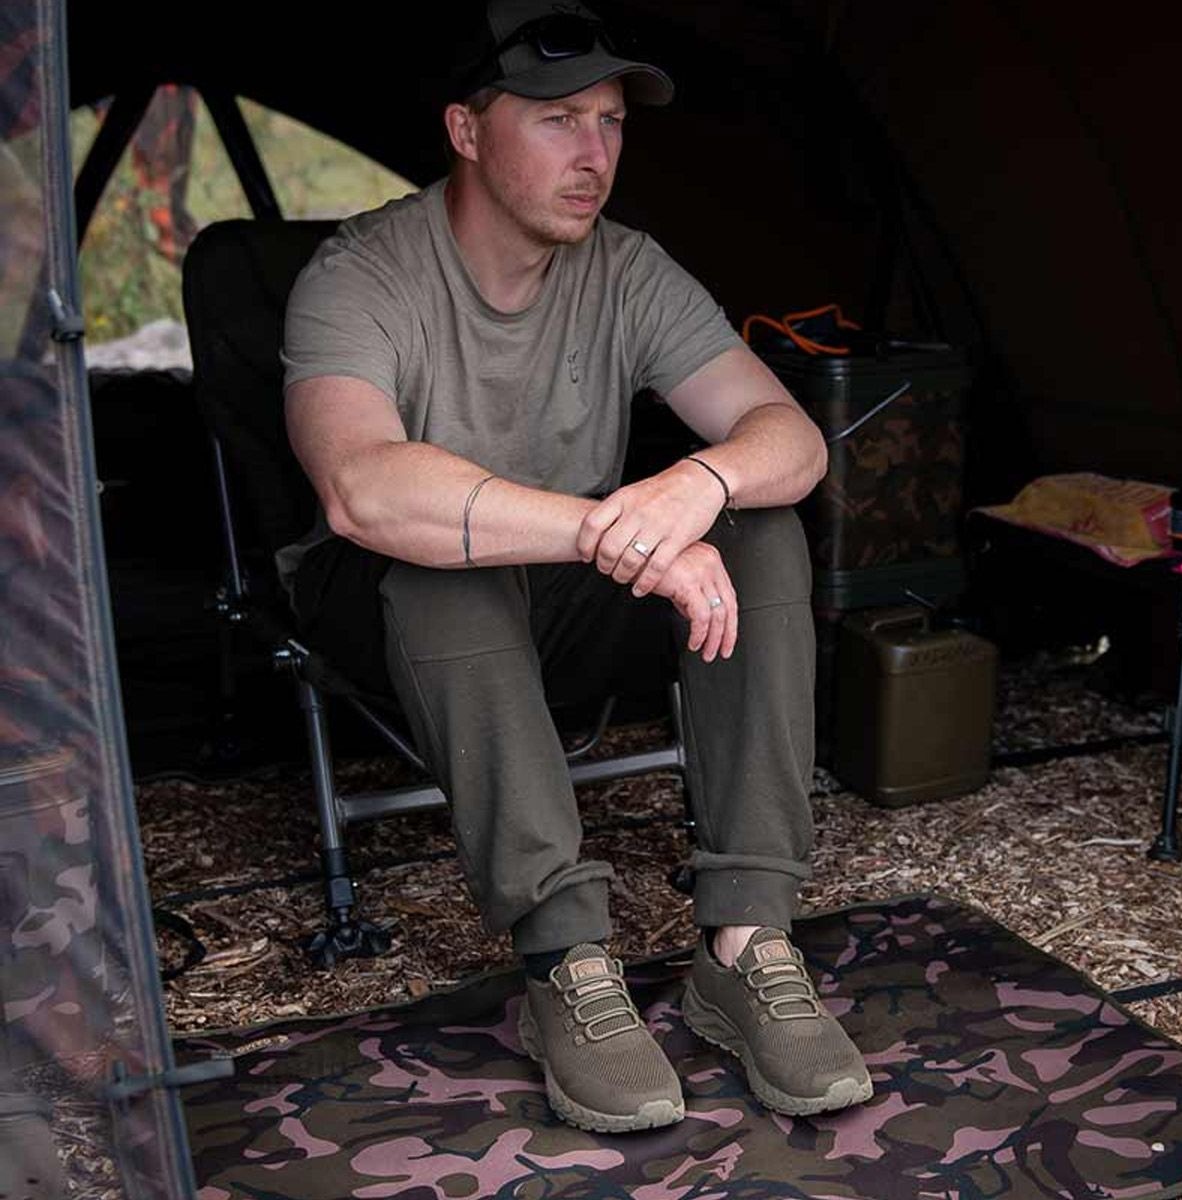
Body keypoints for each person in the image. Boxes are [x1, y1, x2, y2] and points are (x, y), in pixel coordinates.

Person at [279, 0, 872, 1133]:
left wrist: (697, 487)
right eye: (558, 120)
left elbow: (791, 440)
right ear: (466, 129)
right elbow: (364, 488)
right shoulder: (361, 273)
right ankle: (566, 962)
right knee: (444, 561)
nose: (594, 153)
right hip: (393, 607)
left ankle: (745, 943)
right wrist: (615, 530)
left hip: (562, 604)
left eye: (610, 122)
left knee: (758, 524)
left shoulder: (628, 268)